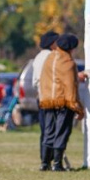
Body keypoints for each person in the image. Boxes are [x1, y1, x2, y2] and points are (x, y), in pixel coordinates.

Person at [38, 33, 85, 172]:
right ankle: (57, 164)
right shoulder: (68, 63)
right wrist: (78, 108)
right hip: (63, 102)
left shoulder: (49, 58)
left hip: (47, 101)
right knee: (61, 132)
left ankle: (44, 163)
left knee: (48, 132)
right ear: (70, 48)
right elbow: (71, 87)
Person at [32, 30, 59, 171]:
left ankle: (45, 160)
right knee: (51, 129)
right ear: (52, 43)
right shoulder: (51, 56)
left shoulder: (38, 57)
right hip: (50, 96)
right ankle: (49, 161)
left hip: (40, 96)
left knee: (45, 130)